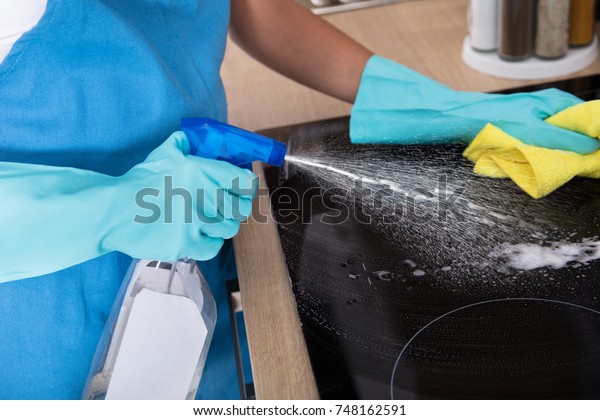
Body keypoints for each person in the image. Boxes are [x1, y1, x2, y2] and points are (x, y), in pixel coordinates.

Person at [1, 0, 597, 400]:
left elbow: (252, 6)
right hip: (42, 304)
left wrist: (432, 105)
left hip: (190, 222)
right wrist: (109, 207)